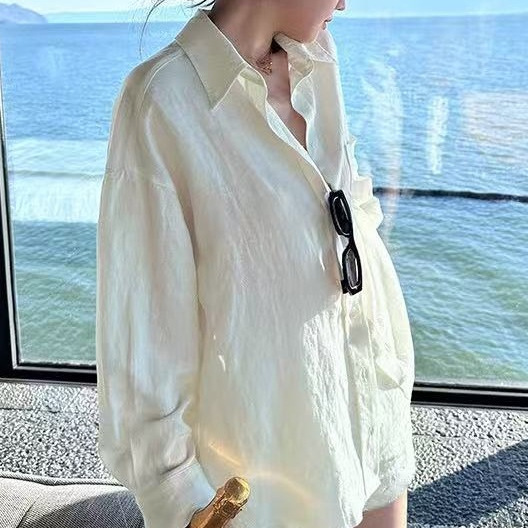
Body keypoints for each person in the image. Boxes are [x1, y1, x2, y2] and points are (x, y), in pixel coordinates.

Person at [95, 1, 417, 528]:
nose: (344, 2)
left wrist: (388, 384)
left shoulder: (318, 62)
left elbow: (351, 218)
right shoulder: (160, 104)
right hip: (270, 481)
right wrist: (187, 506)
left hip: (370, 423)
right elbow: (143, 342)